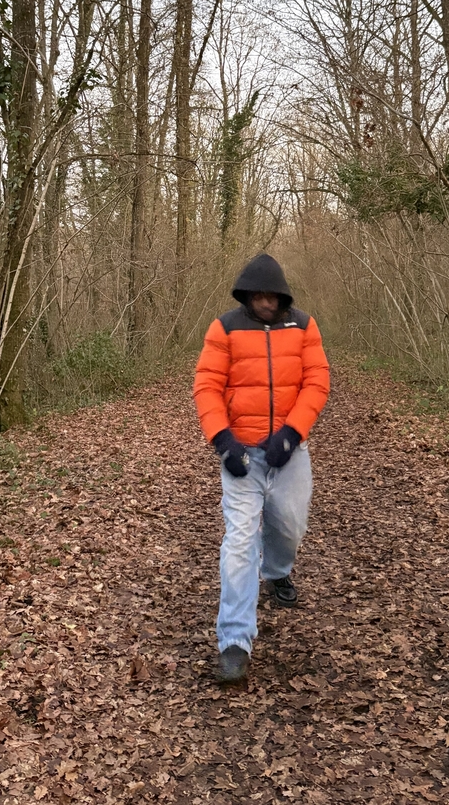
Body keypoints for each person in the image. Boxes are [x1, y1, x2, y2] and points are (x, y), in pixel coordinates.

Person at [193, 253, 330, 682]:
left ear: (283, 295)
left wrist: (291, 433)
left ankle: (277, 572)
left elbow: (317, 381)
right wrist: (223, 441)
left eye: (273, 295)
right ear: (247, 295)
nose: (266, 302)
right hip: (242, 455)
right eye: (258, 295)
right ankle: (234, 640)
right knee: (239, 542)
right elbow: (207, 385)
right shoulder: (225, 328)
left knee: (289, 526)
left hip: (289, 452)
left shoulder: (304, 326)